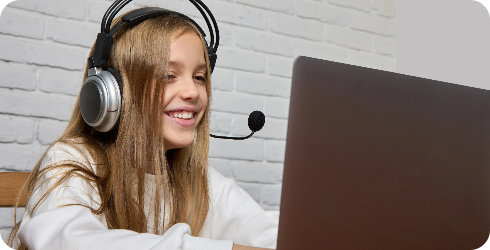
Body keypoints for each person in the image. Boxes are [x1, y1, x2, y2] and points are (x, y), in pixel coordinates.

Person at [7, 7, 279, 250]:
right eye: (168, 76)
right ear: (113, 93)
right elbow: (67, 241)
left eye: (199, 77)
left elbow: (269, 233)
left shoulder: (202, 181)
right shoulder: (71, 161)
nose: (192, 92)